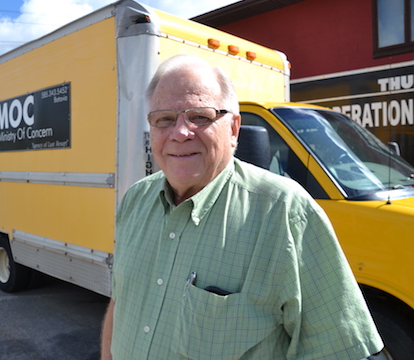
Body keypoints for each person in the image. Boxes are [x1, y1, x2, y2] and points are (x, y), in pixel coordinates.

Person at [101, 55, 384, 360]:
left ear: (234, 129)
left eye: (200, 116)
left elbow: (340, 352)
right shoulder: (135, 200)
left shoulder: (284, 213)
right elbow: (121, 303)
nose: (180, 132)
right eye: (164, 119)